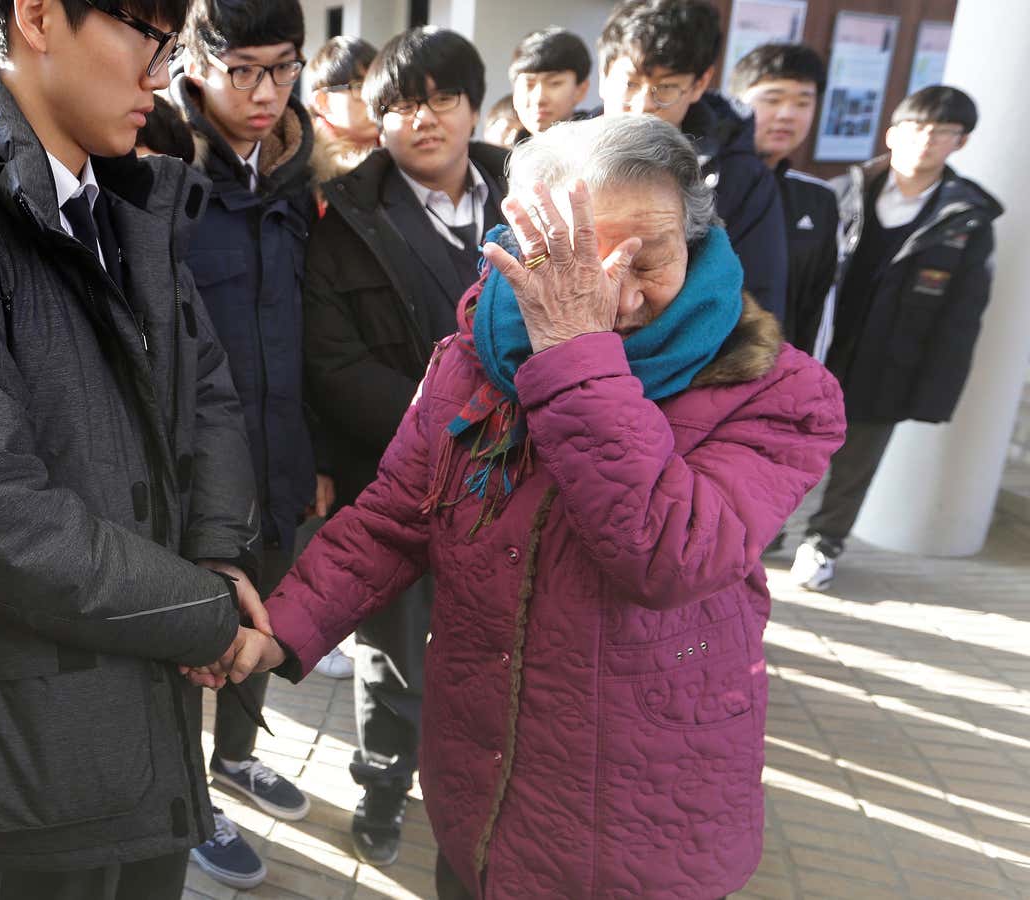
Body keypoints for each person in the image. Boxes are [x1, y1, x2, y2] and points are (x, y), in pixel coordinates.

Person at [196, 114, 846, 899]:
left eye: (653, 258)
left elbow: (670, 554)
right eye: (580, 259)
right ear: (523, 246)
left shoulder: (780, 392)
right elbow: (397, 514)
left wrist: (574, 353)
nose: (621, 294)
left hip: (641, 815)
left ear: (698, 238)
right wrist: (281, 630)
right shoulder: (477, 355)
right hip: (484, 787)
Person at [0, 0, 270, 896]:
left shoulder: (122, 202)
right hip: (30, 761)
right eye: (147, 38)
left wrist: (220, 555)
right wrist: (207, 612)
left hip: (151, 714)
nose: (163, 73)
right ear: (36, 15)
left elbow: (211, 395)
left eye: (172, 44)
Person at [301, 25, 508, 868]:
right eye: (398, 105)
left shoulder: (535, 198)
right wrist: (458, 427)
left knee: (504, 644)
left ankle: (490, 792)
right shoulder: (341, 220)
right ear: (374, 122)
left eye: (441, 99)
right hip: (400, 478)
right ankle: (384, 791)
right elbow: (333, 362)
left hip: (519, 480)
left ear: (473, 106)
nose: (422, 119)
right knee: (392, 658)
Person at [170, 0, 315, 887]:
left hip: (283, 455)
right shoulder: (158, 164)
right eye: (245, 70)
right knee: (192, 640)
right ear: (196, 62)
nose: (267, 93)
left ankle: (235, 758)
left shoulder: (301, 172)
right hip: (194, 470)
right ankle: (189, 798)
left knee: (268, 618)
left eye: (285, 69)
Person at [791, 86, 1002, 591]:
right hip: (820, 347)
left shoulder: (966, 219)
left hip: (890, 361)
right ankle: (771, 529)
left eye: (942, 131)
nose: (926, 140)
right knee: (789, 444)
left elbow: (962, 316)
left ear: (961, 142)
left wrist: (936, 390)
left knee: (858, 459)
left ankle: (823, 544)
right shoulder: (842, 191)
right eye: (916, 126)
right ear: (892, 131)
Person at [597, 0, 789, 325]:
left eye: (666, 89)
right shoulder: (559, 157)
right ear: (603, 75)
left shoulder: (740, 178)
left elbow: (755, 302)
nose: (643, 105)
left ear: (700, 84)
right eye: (629, 84)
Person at [733, 43, 839, 355]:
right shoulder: (703, 182)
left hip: (776, 378)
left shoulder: (819, 201)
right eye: (773, 99)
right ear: (737, 102)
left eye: (803, 103)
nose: (787, 115)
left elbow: (819, 308)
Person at [307, 35, 378, 185]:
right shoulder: (299, 165)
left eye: (378, 86)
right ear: (323, 102)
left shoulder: (406, 158)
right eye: (360, 87)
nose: (376, 98)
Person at [506, 26, 591, 141]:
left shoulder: (600, 152)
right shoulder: (502, 157)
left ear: (581, 90)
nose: (539, 98)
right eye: (529, 84)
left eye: (554, 83)